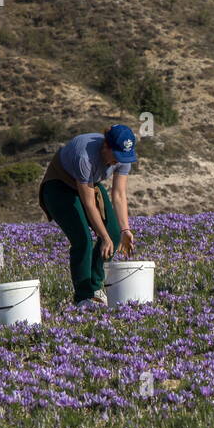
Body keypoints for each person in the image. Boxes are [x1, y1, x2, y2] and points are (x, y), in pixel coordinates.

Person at [39, 125, 137, 305]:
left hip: (90, 184)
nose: (118, 161)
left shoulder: (123, 155)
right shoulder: (85, 157)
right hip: (60, 187)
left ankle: (96, 285)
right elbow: (89, 203)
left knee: (114, 234)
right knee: (83, 239)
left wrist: (124, 229)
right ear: (106, 146)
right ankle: (84, 297)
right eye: (116, 156)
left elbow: (119, 194)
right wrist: (103, 236)